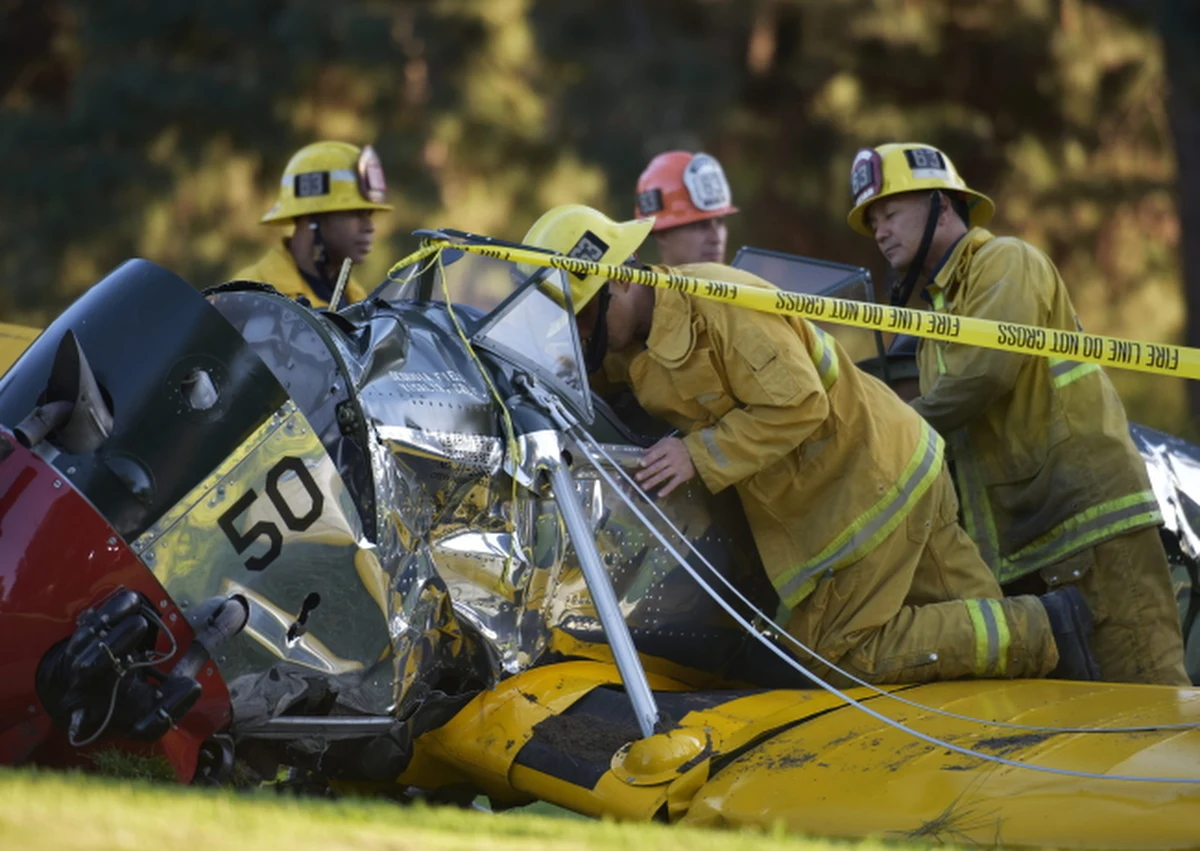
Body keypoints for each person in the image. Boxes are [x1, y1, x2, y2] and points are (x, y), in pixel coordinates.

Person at [521, 203, 1101, 687]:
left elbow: (800, 403)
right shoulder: (629, 344)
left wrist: (696, 454)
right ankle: (1045, 709)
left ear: (622, 276)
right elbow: (590, 381)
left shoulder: (717, 304)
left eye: (586, 317)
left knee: (834, 656)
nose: (585, 337)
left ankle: (1047, 625)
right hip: (895, 469)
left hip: (871, 486)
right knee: (975, 634)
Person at [846, 142, 1188, 685]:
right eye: (873, 221)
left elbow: (983, 377)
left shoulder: (1005, 261)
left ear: (942, 204)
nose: (880, 230)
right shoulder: (938, 321)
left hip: (1088, 529)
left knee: (1150, 707)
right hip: (1030, 544)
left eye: (891, 213)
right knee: (1082, 739)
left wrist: (889, 437)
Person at [231, 141, 392, 308]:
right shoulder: (246, 297)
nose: (370, 226)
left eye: (369, 214)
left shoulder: (358, 300)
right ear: (312, 218)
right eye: (356, 213)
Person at [634, 152, 737, 266]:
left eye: (719, 221)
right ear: (662, 234)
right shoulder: (634, 283)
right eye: (700, 225)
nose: (716, 238)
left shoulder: (748, 282)